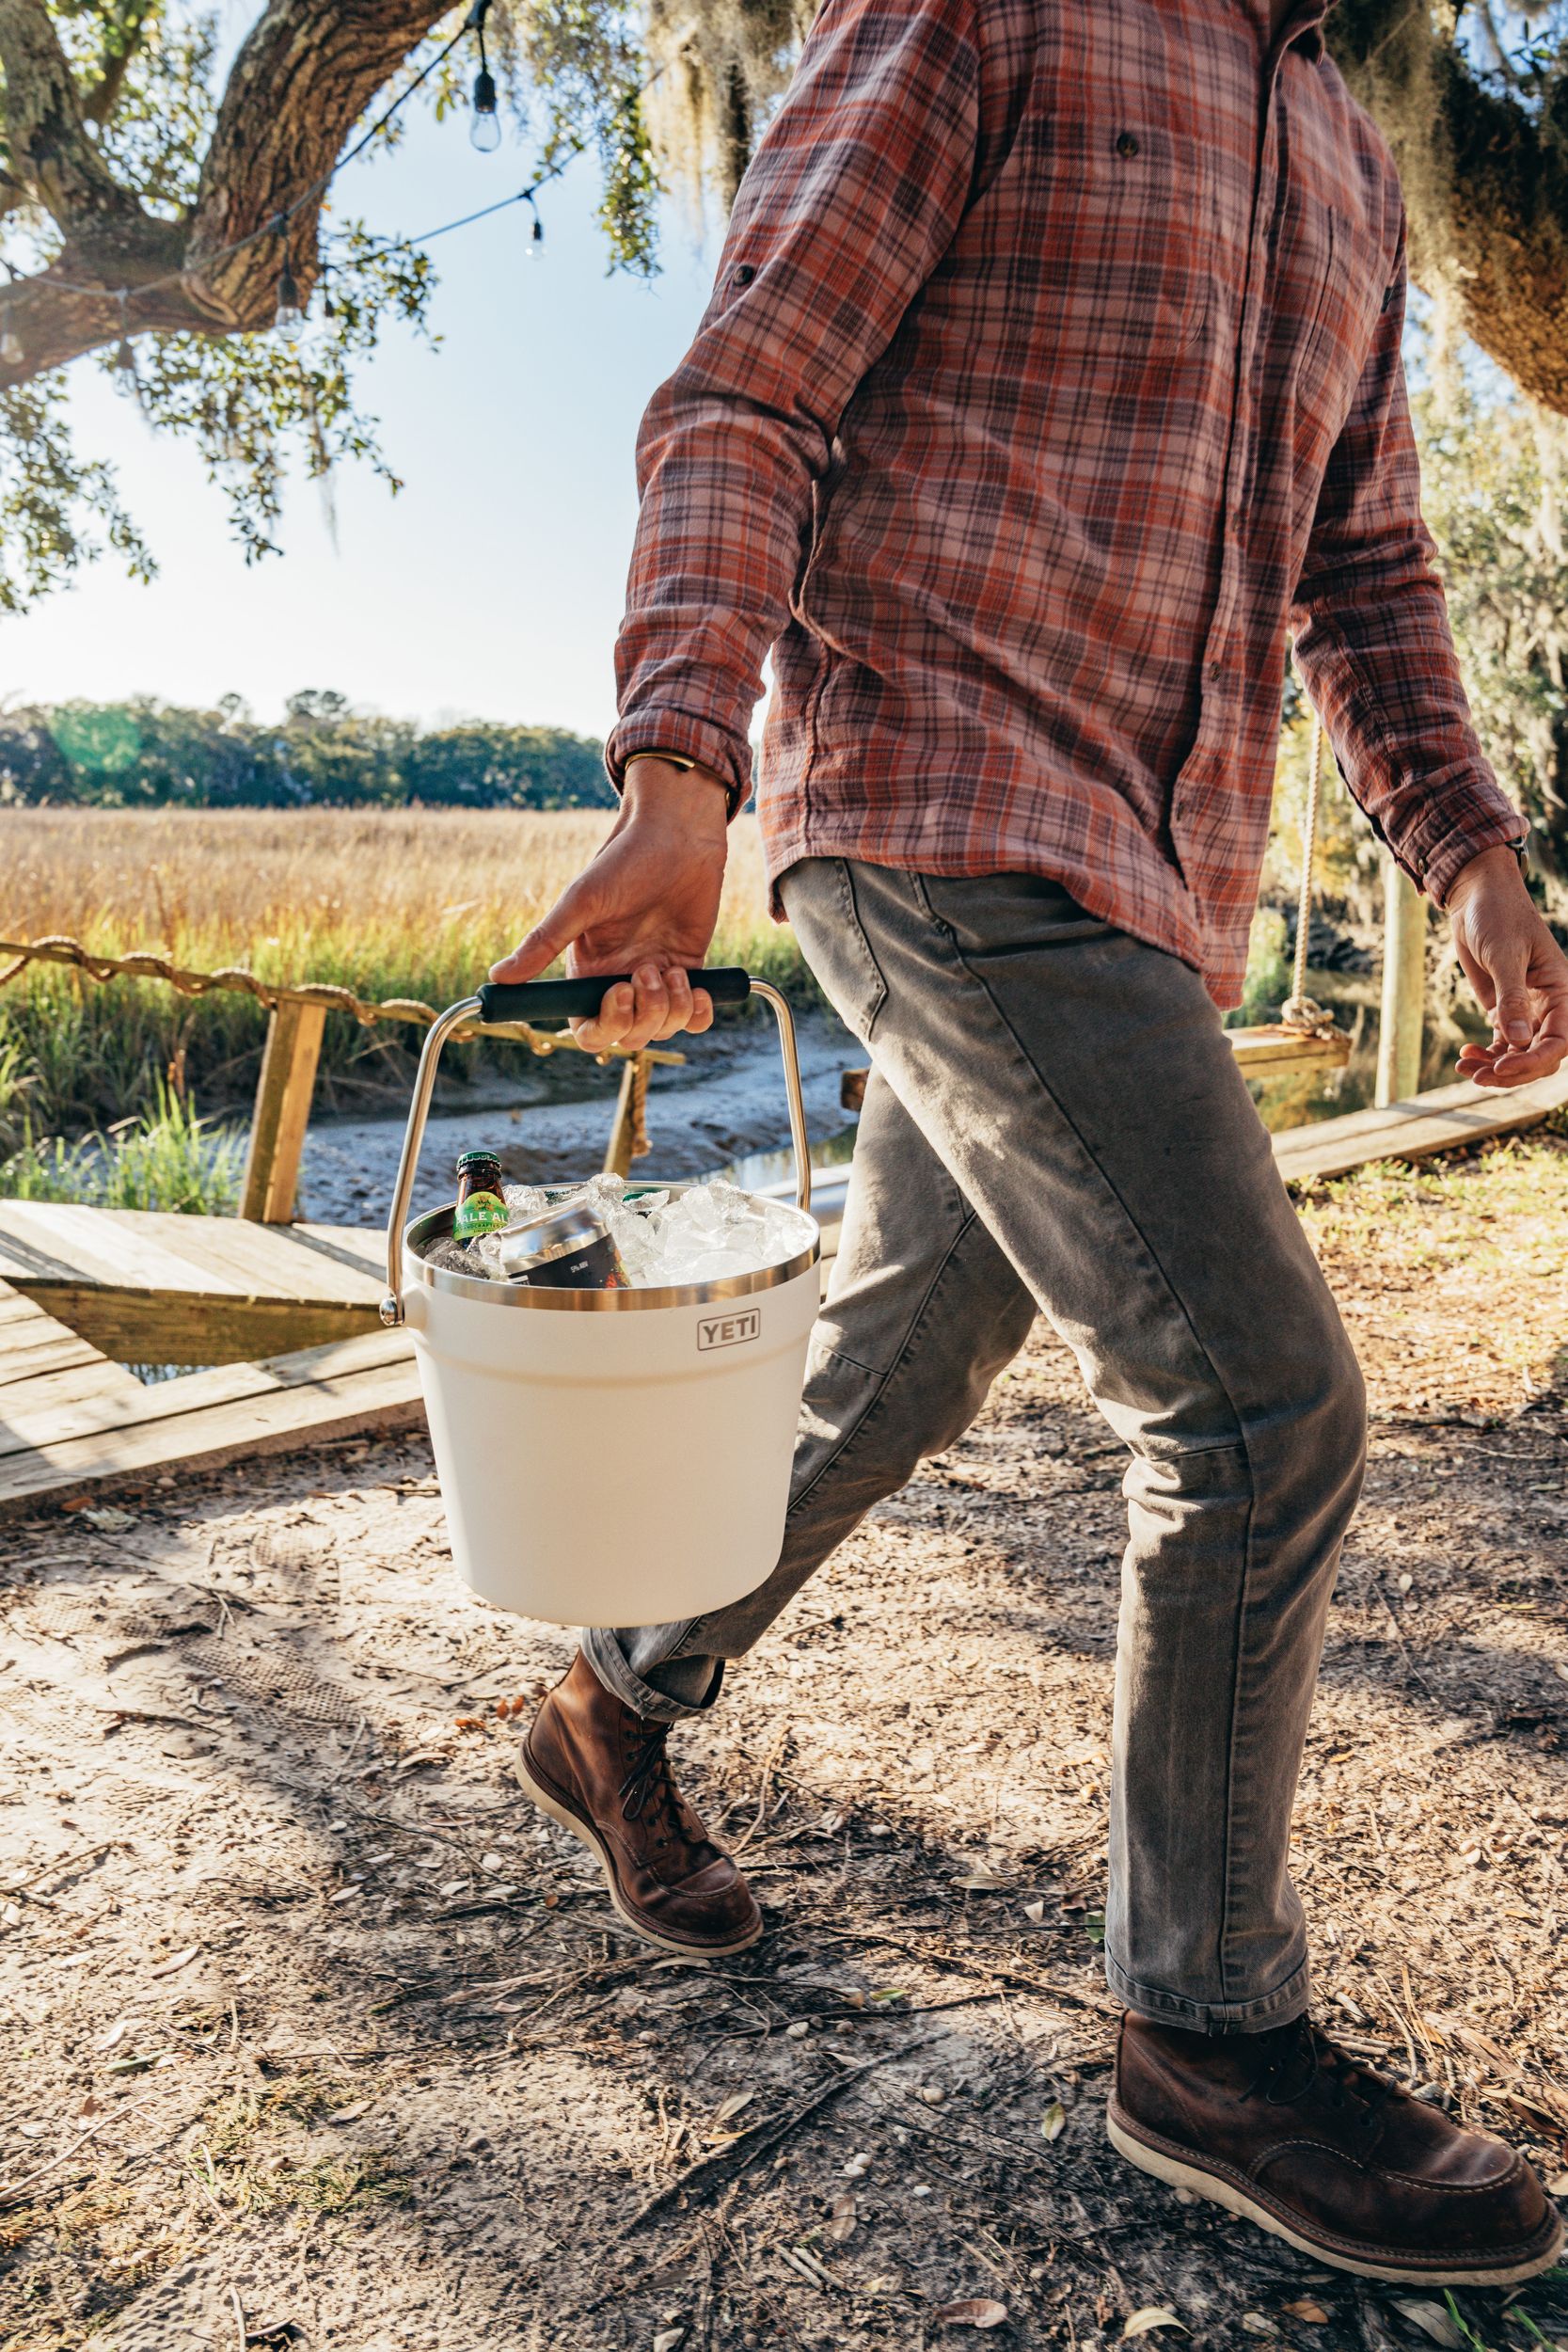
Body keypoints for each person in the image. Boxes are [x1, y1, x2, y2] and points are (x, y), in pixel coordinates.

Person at [495, 0, 1568, 2288]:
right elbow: (750, 382)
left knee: (895, 1356)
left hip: (1152, 870)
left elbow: (1362, 575)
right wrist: (678, 763)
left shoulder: (1355, 163)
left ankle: (613, 1698)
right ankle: (1203, 2029)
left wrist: (1471, 850)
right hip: (939, 803)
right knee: (1259, 1404)